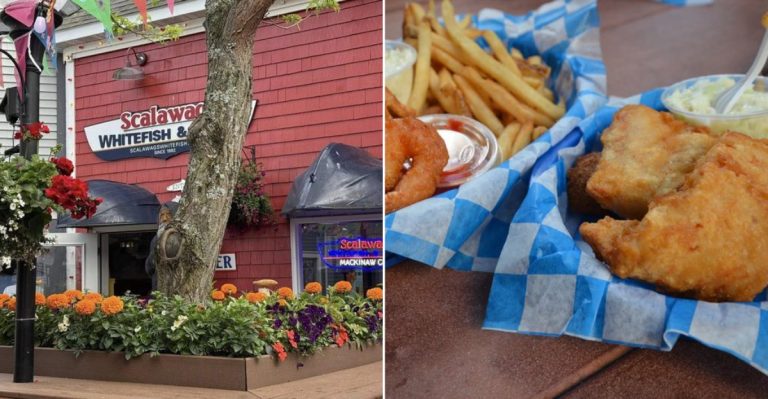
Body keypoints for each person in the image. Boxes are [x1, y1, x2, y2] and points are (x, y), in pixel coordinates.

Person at [145, 202, 179, 293]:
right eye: (162, 215)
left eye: (169, 214)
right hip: (158, 287)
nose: (164, 219)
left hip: (176, 288)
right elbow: (149, 268)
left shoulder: (181, 237)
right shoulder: (155, 239)